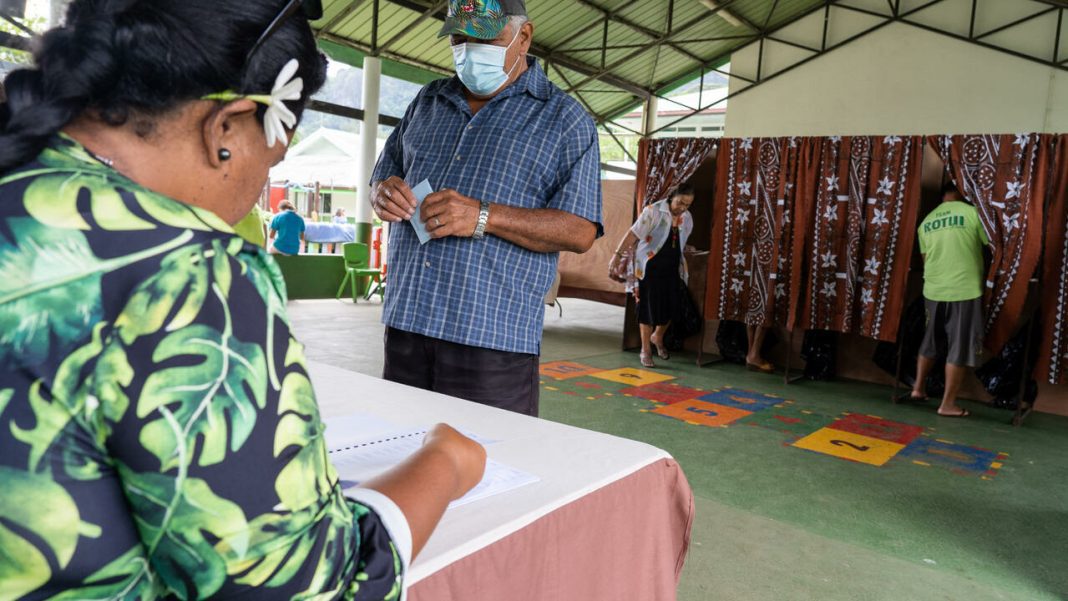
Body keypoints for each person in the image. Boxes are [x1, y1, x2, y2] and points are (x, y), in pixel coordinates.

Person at [0, 2, 485, 599]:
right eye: (272, 159)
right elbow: (300, 586)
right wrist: (445, 463)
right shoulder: (184, 267)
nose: (258, 188)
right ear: (225, 128)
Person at [369, 0, 602, 416]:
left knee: (489, 463)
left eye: (485, 39)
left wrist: (483, 216)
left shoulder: (565, 121)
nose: (469, 50)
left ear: (523, 36)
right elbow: (383, 177)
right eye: (460, 39)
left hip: (491, 337)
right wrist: (383, 193)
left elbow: (581, 231)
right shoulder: (427, 102)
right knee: (400, 455)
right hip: (407, 322)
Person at [902, 179, 991, 417]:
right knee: (959, 347)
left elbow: (925, 259)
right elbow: (991, 245)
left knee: (930, 341)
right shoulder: (973, 214)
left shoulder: (926, 222)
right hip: (964, 288)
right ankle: (948, 404)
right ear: (963, 194)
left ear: (942, 196)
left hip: (933, 289)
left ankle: (918, 388)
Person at [610, 183, 695, 367]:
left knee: (673, 305)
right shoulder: (653, 211)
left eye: (688, 204)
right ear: (672, 197)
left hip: (672, 268)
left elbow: (677, 242)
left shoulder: (686, 218)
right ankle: (645, 349)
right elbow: (633, 234)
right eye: (680, 202)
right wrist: (616, 255)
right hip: (649, 267)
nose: (683, 208)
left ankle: (658, 336)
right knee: (647, 309)